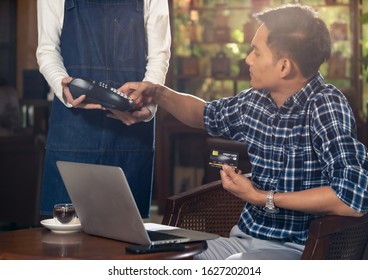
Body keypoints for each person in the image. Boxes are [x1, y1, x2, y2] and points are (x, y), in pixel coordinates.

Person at [110, 4, 368, 259]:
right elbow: (203, 114)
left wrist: (262, 197)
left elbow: (352, 197)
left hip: (298, 250)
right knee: (156, 256)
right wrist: (156, 92)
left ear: (284, 67)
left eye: (256, 51)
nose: (248, 59)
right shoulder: (255, 101)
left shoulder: (325, 105)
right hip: (240, 242)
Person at [36, 0, 171, 218]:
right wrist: (63, 85)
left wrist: (149, 103)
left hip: (131, 130)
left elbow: (159, 55)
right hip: (73, 127)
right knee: (64, 237)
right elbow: (47, 50)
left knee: (126, 237)